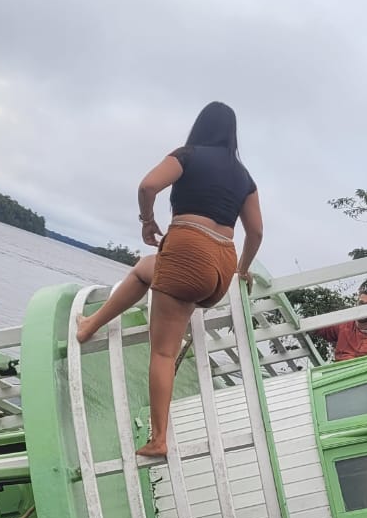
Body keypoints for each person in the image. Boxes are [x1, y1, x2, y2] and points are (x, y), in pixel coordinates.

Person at [75, 101, 263, 458]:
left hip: (188, 252)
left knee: (163, 351)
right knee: (146, 269)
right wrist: (242, 270)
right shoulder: (245, 177)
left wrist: (147, 220)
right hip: (221, 265)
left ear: (201, 126)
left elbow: (148, 186)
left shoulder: (188, 155)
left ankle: (159, 438)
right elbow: (255, 232)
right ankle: (89, 326)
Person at [314, 286, 367, 361]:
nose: (363, 308)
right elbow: (322, 329)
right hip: (340, 371)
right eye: (361, 303)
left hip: (366, 375)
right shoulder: (345, 323)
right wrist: (309, 324)